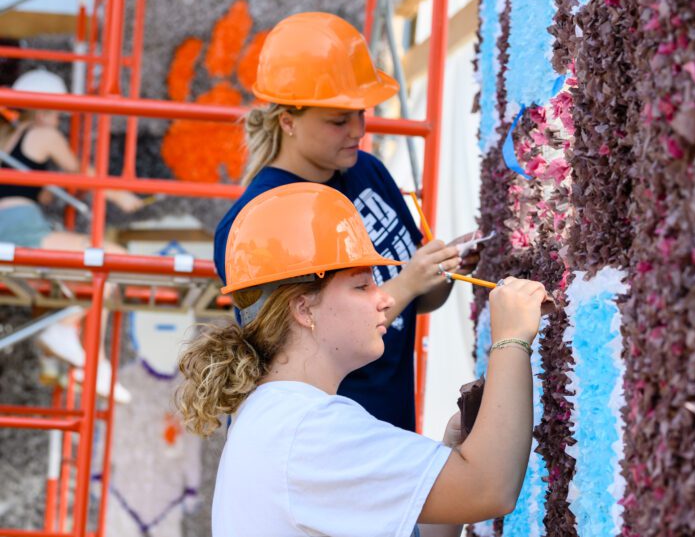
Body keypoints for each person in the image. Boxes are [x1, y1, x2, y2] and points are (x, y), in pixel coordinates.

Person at [180, 183, 547, 537]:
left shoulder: (278, 416)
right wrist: (511, 339)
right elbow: (488, 489)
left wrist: (451, 453)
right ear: (304, 308)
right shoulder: (309, 429)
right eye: (362, 285)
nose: (384, 299)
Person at [214, 12, 479, 431]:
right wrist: (409, 280)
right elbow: (298, 353)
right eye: (338, 120)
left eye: (360, 112)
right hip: (331, 446)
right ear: (288, 121)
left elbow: (414, 300)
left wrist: (441, 270)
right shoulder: (260, 220)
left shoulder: (366, 170)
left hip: (388, 429)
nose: (357, 129)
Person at [0, 68, 143, 401]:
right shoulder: (43, 134)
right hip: (20, 225)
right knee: (114, 258)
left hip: (12, 223)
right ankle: (69, 335)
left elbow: (37, 190)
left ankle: (92, 358)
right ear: (47, 107)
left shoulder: (10, 136)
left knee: (99, 268)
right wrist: (120, 195)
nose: (59, 118)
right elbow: (81, 172)